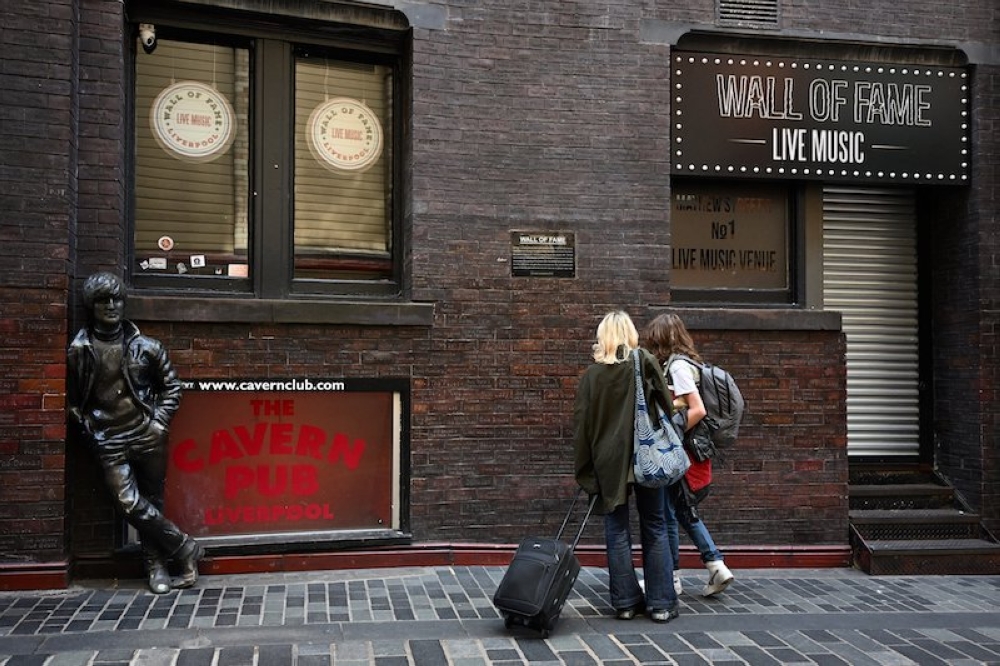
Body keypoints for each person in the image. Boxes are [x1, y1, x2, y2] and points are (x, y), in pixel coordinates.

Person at [67, 272, 204, 594]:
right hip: (109, 439)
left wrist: (157, 424)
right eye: (103, 300)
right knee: (129, 502)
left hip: (147, 434)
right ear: (91, 305)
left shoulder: (148, 347)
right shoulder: (79, 351)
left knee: (152, 503)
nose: (112, 305)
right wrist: (89, 428)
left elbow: (172, 387)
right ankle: (184, 546)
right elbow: (73, 402)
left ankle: (160, 567)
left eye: (116, 299)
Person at [573, 310, 680, 623]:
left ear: (602, 337)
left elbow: (582, 428)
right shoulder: (644, 360)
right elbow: (666, 404)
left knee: (616, 529)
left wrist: (585, 472)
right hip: (647, 456)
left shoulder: (592, 376)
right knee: (656, 525)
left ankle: (625, 602)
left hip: (608, 463)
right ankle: (660, 603)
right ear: (631, 334)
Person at [643, 312, 735, 598]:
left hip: (685, 452)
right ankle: (710, 564)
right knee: (680, 511)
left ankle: (675, 577)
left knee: (672, 513)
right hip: (689, 451)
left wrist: (671, 430)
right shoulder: (686, 364)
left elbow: (697, 410)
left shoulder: (680, 367)